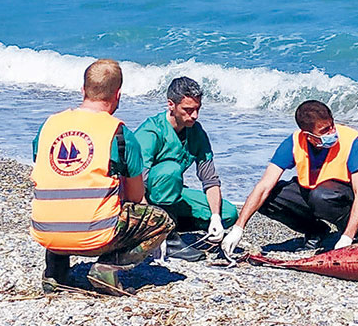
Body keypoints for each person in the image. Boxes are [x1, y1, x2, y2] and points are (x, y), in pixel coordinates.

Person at [31, 59, 174, 296]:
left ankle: (55, 270)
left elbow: (47, 172)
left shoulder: (49, 125)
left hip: (45, 230)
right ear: (118, 95)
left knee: (64, 196)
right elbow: (136, 196)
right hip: (95, 235)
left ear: (83, 90)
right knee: (161, 221)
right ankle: (108, 267)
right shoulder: (119, 134)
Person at [221, 100, 358, 256]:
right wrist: (238, 228)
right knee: (269, 199)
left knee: (321, 197)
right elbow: (264, 186)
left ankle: (352, 233)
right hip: (315, 192)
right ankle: (316, 232)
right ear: (308, 135)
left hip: (351, 196)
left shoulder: (351, 142)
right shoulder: (295, 142)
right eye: (324, 131)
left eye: (332, 126)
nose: (331, 133)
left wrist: (347, 237)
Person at [134, 77, 239, 261]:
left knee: (228, 214)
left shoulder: (196, 132)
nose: (195, 115)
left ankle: (172, 224)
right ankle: (168, 236)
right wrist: (152, 228)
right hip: (139, 198)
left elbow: (210, 180)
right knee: (171, 170)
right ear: (171, 105)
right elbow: (135, 181)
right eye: (188, 110)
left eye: (198, 109)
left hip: (170, 195)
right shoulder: (150, 132)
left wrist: (215, 217)